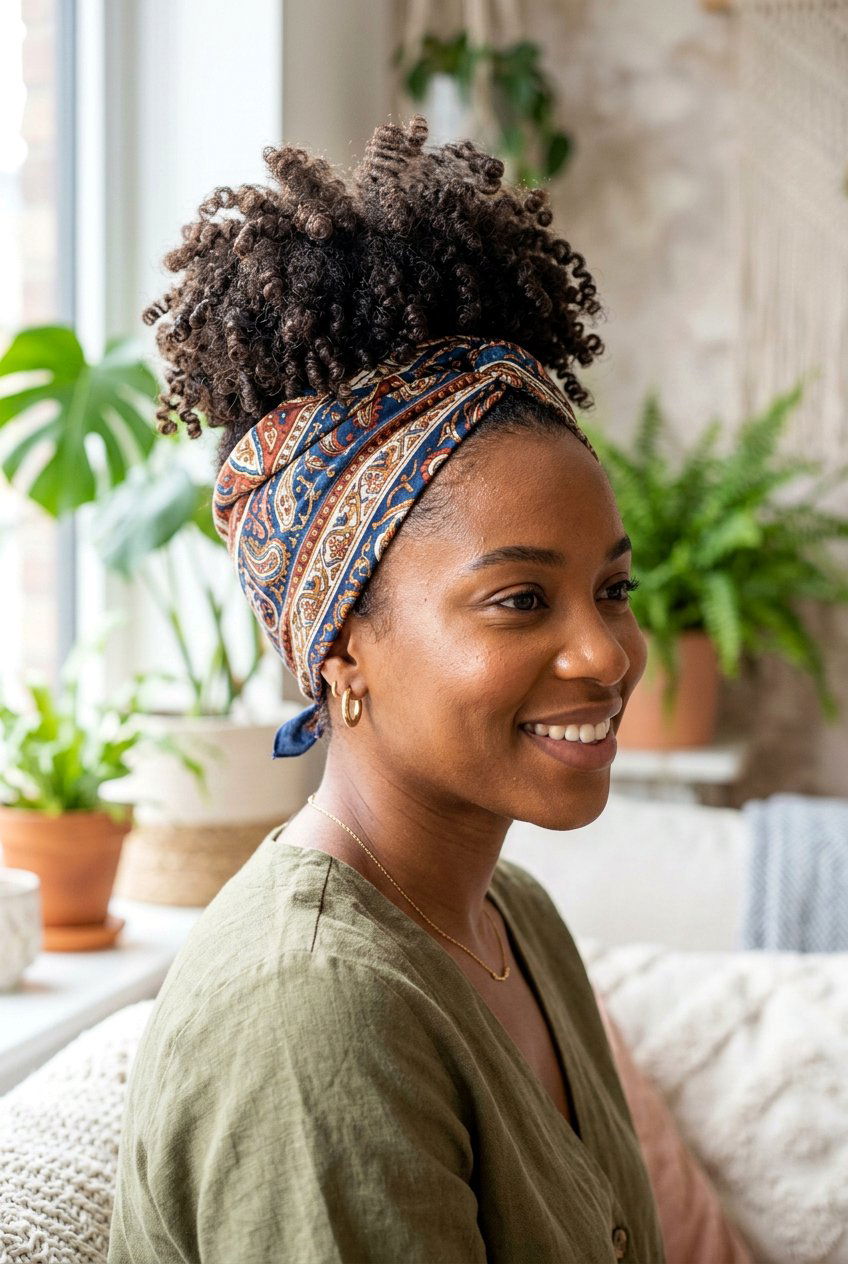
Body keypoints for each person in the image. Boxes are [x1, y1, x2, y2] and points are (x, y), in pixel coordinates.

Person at [108, 114, 663, 1263]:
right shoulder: (312, 1014)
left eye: (611, 590)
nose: (605, 654)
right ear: (340, 644)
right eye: (519, 599)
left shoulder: (517, 922)